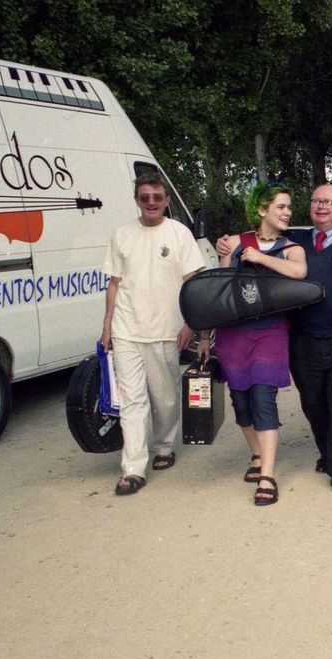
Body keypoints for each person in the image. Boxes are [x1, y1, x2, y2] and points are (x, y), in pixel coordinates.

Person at [217, 184, 332, 499]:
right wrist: (228, 242)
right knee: (313, 404)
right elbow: (262, 233)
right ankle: (329, 452)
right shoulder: (297, 241)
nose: (321, 206)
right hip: (303, 339)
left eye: (329, 202)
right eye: (316, 200)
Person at [101, 173, 207, 496]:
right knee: (132, 401)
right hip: (126, 329)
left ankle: (163, 446)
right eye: (145, 197)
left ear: (166, 200)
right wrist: (107, 325)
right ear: (136, 199)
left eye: (157, 197)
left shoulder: (179, 234)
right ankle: (132, 469)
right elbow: (114, 283)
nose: (151, 203)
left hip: (167, 329)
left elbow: (194, 284)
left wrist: (191, 324)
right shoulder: (122, 235)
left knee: (165, 398)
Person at [216, 182, 307, 505]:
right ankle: (257, 454)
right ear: (261, 210)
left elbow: (299, 272)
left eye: (289, 206)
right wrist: (204, 337)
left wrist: (262, 258)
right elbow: (221, 289)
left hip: (271, 330)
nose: (287, 212)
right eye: (281, 207)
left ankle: (267, 475)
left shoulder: (291, 247)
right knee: (241, 401)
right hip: (234, 332)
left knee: (263, 397)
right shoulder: (235, 243)